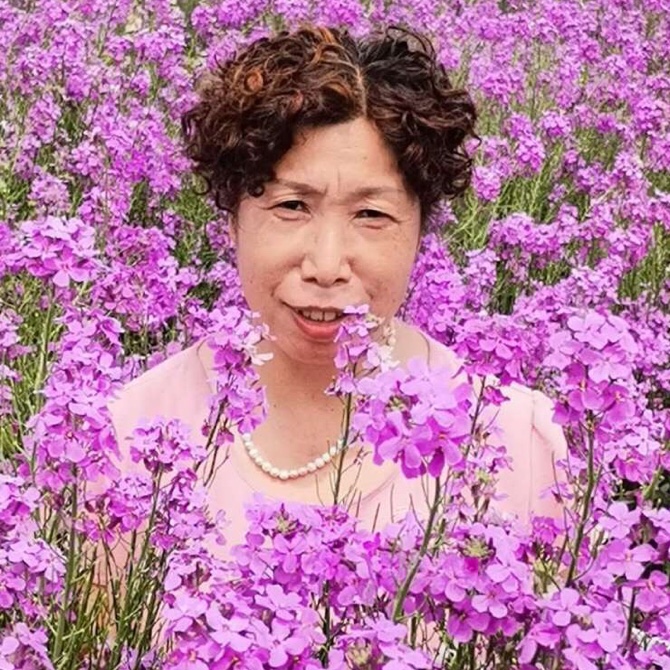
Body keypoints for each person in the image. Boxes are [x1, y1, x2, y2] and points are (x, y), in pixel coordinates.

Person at [107, 24, 566, 558]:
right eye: (291, 206)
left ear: (422, 229)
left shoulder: (522, 445)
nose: (326, 267)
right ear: (231, 220)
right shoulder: (122, 438)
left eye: (372, 214)